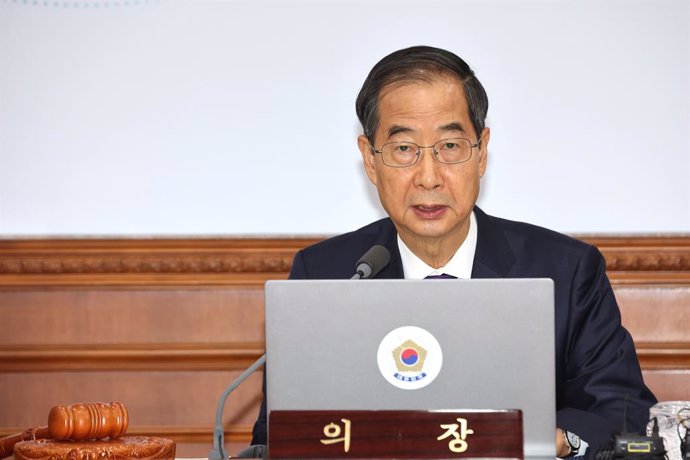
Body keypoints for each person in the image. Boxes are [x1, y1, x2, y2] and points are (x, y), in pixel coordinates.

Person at [250, 45, 656, 457]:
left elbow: (623, 410)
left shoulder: (565, 271)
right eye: (404, 149)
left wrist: (558, 441)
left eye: (450, 146)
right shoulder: (325, 275)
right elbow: (275, 434)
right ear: (370, 162)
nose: (429, 178)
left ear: (481, 152)